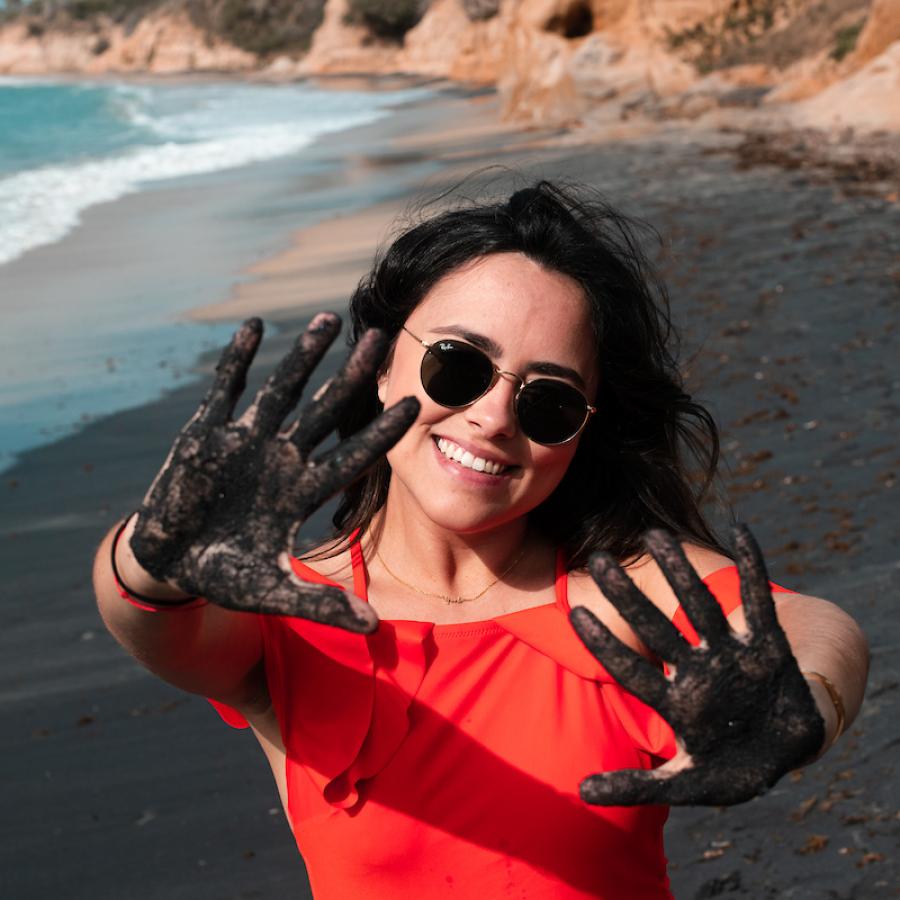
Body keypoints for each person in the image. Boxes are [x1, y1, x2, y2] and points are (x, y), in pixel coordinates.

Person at [93, 181, 869, 898]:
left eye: (549, 403)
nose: (493, 417)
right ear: (384, 367)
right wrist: (153, 552)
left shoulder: (621, 596)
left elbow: (814, 627)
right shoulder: (298, 614)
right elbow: (149, 617)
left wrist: (792, 709)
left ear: (582, 434)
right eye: (458, 366)